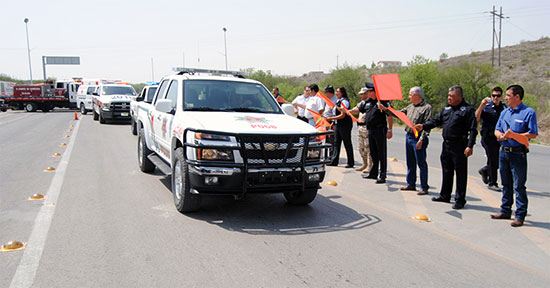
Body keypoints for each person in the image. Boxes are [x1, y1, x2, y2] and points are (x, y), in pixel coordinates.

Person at [415, 85, 477, 209]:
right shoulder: (447, 108)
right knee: (447, 170)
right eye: (448, 96)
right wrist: (424, 126)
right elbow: (436, 121)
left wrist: (470, 146)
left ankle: (460, 199)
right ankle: (445, 195)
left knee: (460, 173)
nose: (449, 98)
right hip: (446, 145)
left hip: (460, 145)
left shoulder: (467, 110)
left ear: (459, 96)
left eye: (452, 96)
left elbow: (473, 130)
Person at [491, 85, 538, 227]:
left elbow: (533, 133)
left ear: (517, 97)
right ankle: (505, 210)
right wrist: (500, 135)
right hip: (503, 151)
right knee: (506, 183)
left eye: (508, 95)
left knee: (519, 185)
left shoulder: (528, 112)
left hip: (518, 153)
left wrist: (514, 135)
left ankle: (520, 215)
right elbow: (497, 129)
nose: (505, 98)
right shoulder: (505, 112)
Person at [398, 86, 432, 195]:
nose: (409, 97)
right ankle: (411, 184)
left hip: (419, 138)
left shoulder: (427, 108)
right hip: (409, 136)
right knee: (410, 162)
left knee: (421, 163)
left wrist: (422, 139)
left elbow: (428, 125)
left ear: (416, 95)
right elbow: (399, 114)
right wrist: (387, 108)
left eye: (410, 95)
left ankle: (424, 187)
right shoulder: (410, 107)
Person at [361, 82, 393, 184]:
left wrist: (390, 130)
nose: (367, 93)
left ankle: (382, 175)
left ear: (374, 92)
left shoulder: (383, 101)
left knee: (381, 153)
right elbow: (360, 109)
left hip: (380, 130)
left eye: (369, 91)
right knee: (373, 153)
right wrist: (346, 111)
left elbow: (390, 114)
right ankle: (373, 173)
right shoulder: (368, 101)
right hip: (370, 130)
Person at [475, 87, 506, 191]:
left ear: (501, 97)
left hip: (499, 138)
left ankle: (485, 171)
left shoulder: (504, 108)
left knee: (496, 160)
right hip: (488, 137)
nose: (495, 98)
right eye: (493, 95)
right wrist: (481, 105)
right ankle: (492, 183)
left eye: (498, 96)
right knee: (493, 160)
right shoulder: (487, 107)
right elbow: (476, 117)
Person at [326, 87, 354, 168]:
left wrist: (331, 119)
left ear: (342, 93)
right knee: (336, 143)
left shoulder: (344, 102)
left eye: (338, 91)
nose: (336, 93)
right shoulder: (338, 101)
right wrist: (334, 122)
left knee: (347, 143)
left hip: (345, 125)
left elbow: (343, 115)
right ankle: (334, 161)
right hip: (338, 124)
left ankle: (350, 162)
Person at [348, 87, 373, 174]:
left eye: (363, 94)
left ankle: (370, 165)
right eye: (361, 94)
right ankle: (364, 164)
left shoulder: (370, 103)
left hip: (366, 127)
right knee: (361, 147)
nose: (361, 96)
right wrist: (347, 111)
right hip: (360, 128)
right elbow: (355, 110)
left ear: (367, 94)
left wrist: (349, 111)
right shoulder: (361, 103)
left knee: (368, 147)